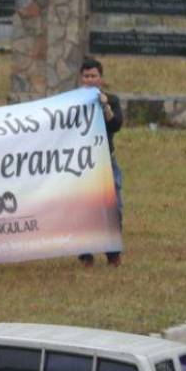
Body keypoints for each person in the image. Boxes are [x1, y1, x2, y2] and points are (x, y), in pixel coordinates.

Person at [79, 57, 123, 267]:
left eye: (93, 76)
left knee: (114, 207)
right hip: (83, 163)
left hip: (107, 161)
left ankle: (112, 252)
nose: (90, 80)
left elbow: (116, 125)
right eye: (86, 76)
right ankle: (85, 253)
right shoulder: (72, 102)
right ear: (81, 78)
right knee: (84, 207)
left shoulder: (112, 100)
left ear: (100, 79)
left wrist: (104, 106)